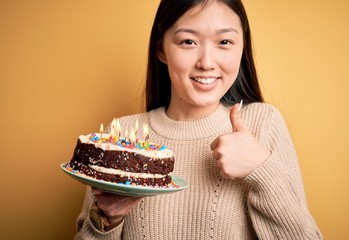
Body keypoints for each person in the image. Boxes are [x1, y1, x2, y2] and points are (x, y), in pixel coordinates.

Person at [74, 0, 323, 239]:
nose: (206, 63)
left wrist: (262, 169)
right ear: (161, 49)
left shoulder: (262, 124)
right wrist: (108, 219)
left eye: (224, 41)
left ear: (242, 48)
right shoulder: (121, 137)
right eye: (188, 41)